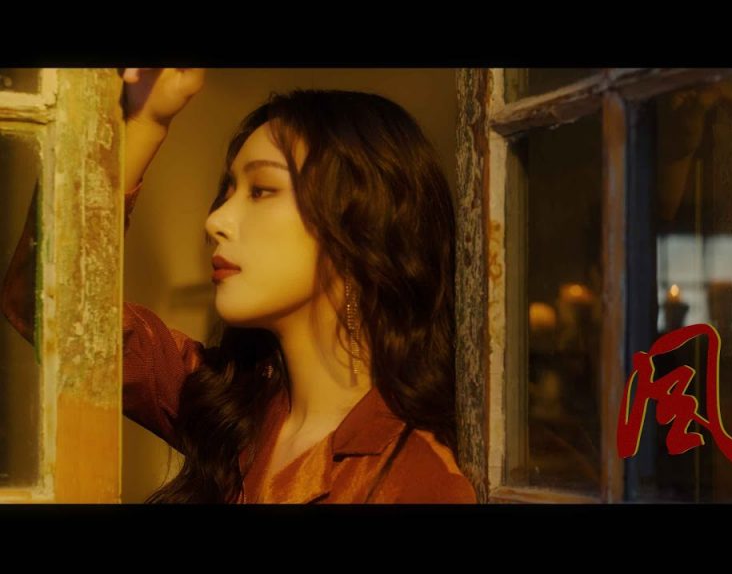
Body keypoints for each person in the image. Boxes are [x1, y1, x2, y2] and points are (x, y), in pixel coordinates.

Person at [1, 69, 476, 504]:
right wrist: (147, 121)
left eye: (261, 190)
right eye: (227, 192)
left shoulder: (415, 478)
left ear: (362, 226)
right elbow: (42, 300)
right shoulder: (229, 405)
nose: (215, 220)